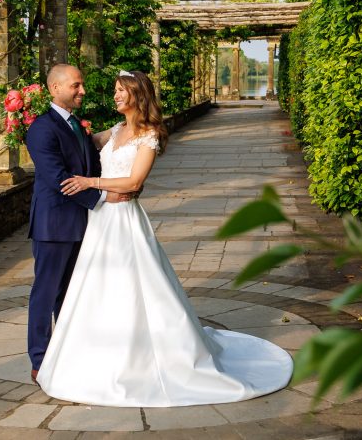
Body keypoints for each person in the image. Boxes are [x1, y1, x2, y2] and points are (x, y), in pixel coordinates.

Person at [36, 70, 294, 407]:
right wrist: (36, 121)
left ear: (137, 95)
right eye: (114, 90)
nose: (114, 96)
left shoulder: (150, 135)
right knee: (96, 285)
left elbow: (132, 183)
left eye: (120, 91)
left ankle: (145, 357)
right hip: (100, 220)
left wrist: (90, 183)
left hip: (124, 218)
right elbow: (73, 140)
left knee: (134, 283)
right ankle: (91, 353)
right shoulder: (114, 131)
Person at [25, 64, 132, 385]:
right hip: (53, 225)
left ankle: (68, 350)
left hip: (83, 224)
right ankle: (40, 359)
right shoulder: (42, 129)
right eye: (76, 85)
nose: (82, 90)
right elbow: (58, 178)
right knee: (45, 293)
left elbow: (94, 164)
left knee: (70, 294)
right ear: (55, 89)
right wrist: (102, 199)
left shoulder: (78, 127)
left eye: (82, 84)